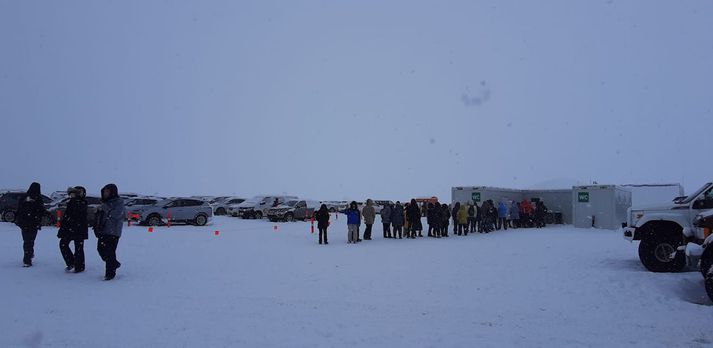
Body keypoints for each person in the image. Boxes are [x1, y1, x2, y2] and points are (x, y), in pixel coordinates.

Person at [95, 183, 125, 280]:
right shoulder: (104, 203)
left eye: (107, 191)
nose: (105, 193)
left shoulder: (119, 202)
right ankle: (114, 263)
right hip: (103, 231)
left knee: (110, 252)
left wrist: (106, 209)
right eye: (104, 192)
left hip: (113, 232)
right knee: (101, 250)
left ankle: (109, 274)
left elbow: (118, 214)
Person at [15, 182, 46, 267]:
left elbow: (19, 209)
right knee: (31, 240)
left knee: (26, 241)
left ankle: (27, 257)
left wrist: (18, 219)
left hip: (24, 222)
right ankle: (28, 257)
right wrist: (48, 215)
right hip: (33, 223)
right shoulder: (38, 198)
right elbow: (41, 210)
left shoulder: (24, 197)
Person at [58, 186, 88, 272]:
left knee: (78, 247)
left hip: (77, 228)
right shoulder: (73, 201)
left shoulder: (80, 202)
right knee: (65, 244)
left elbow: (76, 213)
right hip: (71, 228)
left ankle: (78, 266)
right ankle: (73, 263)